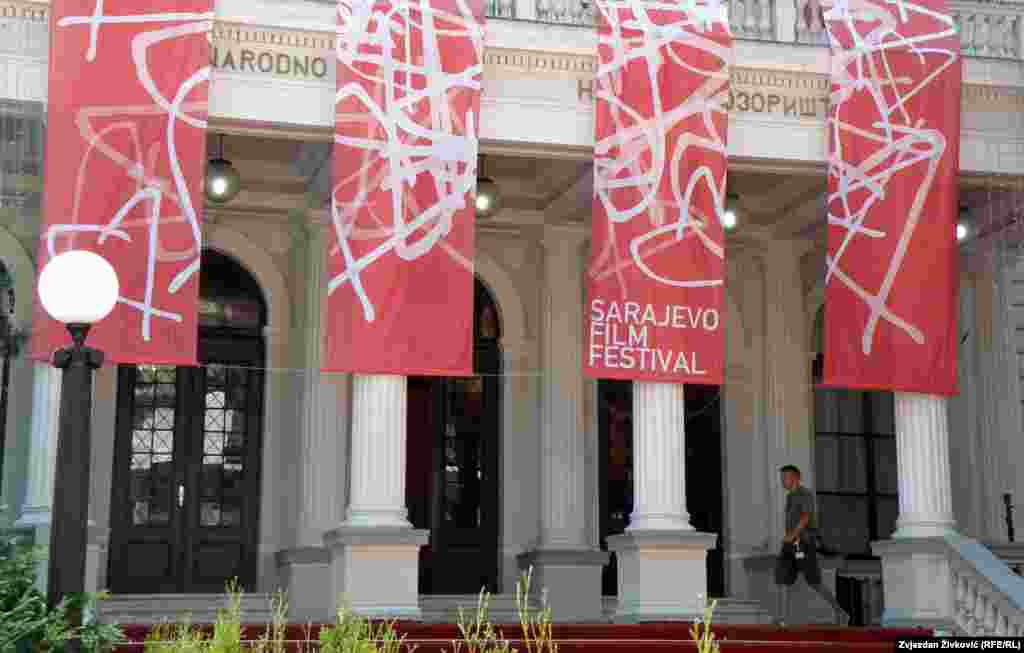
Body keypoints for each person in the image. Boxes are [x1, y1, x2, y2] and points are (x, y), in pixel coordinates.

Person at [774, 464, 850, 627]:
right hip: (790, 544)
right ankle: (782, 619)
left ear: (795, 477)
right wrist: (788, 538)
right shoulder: (789, 497)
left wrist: (793, 535)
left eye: (785, 477)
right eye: (781, 478)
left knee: (815, 582)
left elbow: (806, 517)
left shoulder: (804, 494)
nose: (782, 481)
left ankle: (840, 612)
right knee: (782, 579)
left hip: (803, 543)